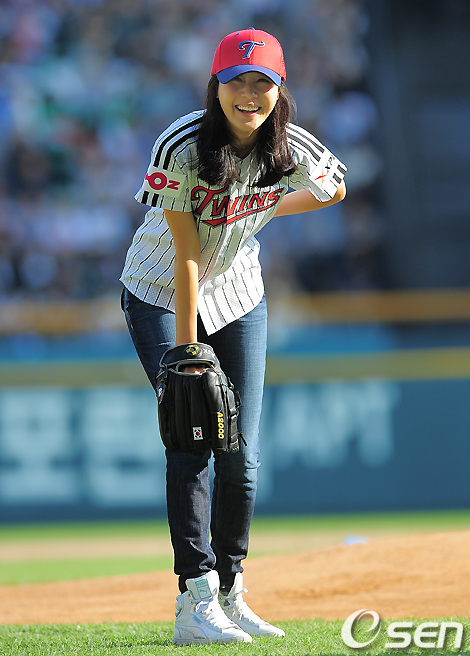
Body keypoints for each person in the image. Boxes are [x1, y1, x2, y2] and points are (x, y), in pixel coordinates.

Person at [120, 27, 346, 645]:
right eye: (236, 80)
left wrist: (266, 208)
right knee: (192, 434)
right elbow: (186, 253)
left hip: (240, 293)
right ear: (215, 86)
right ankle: (193, 601)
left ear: (280, 89)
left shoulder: (288, 145)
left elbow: (333, 187)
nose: (250, 93)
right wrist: (188, 353)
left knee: (241, 453)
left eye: (262, 81)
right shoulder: (183, 144)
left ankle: (230, 590)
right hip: (161, 289)